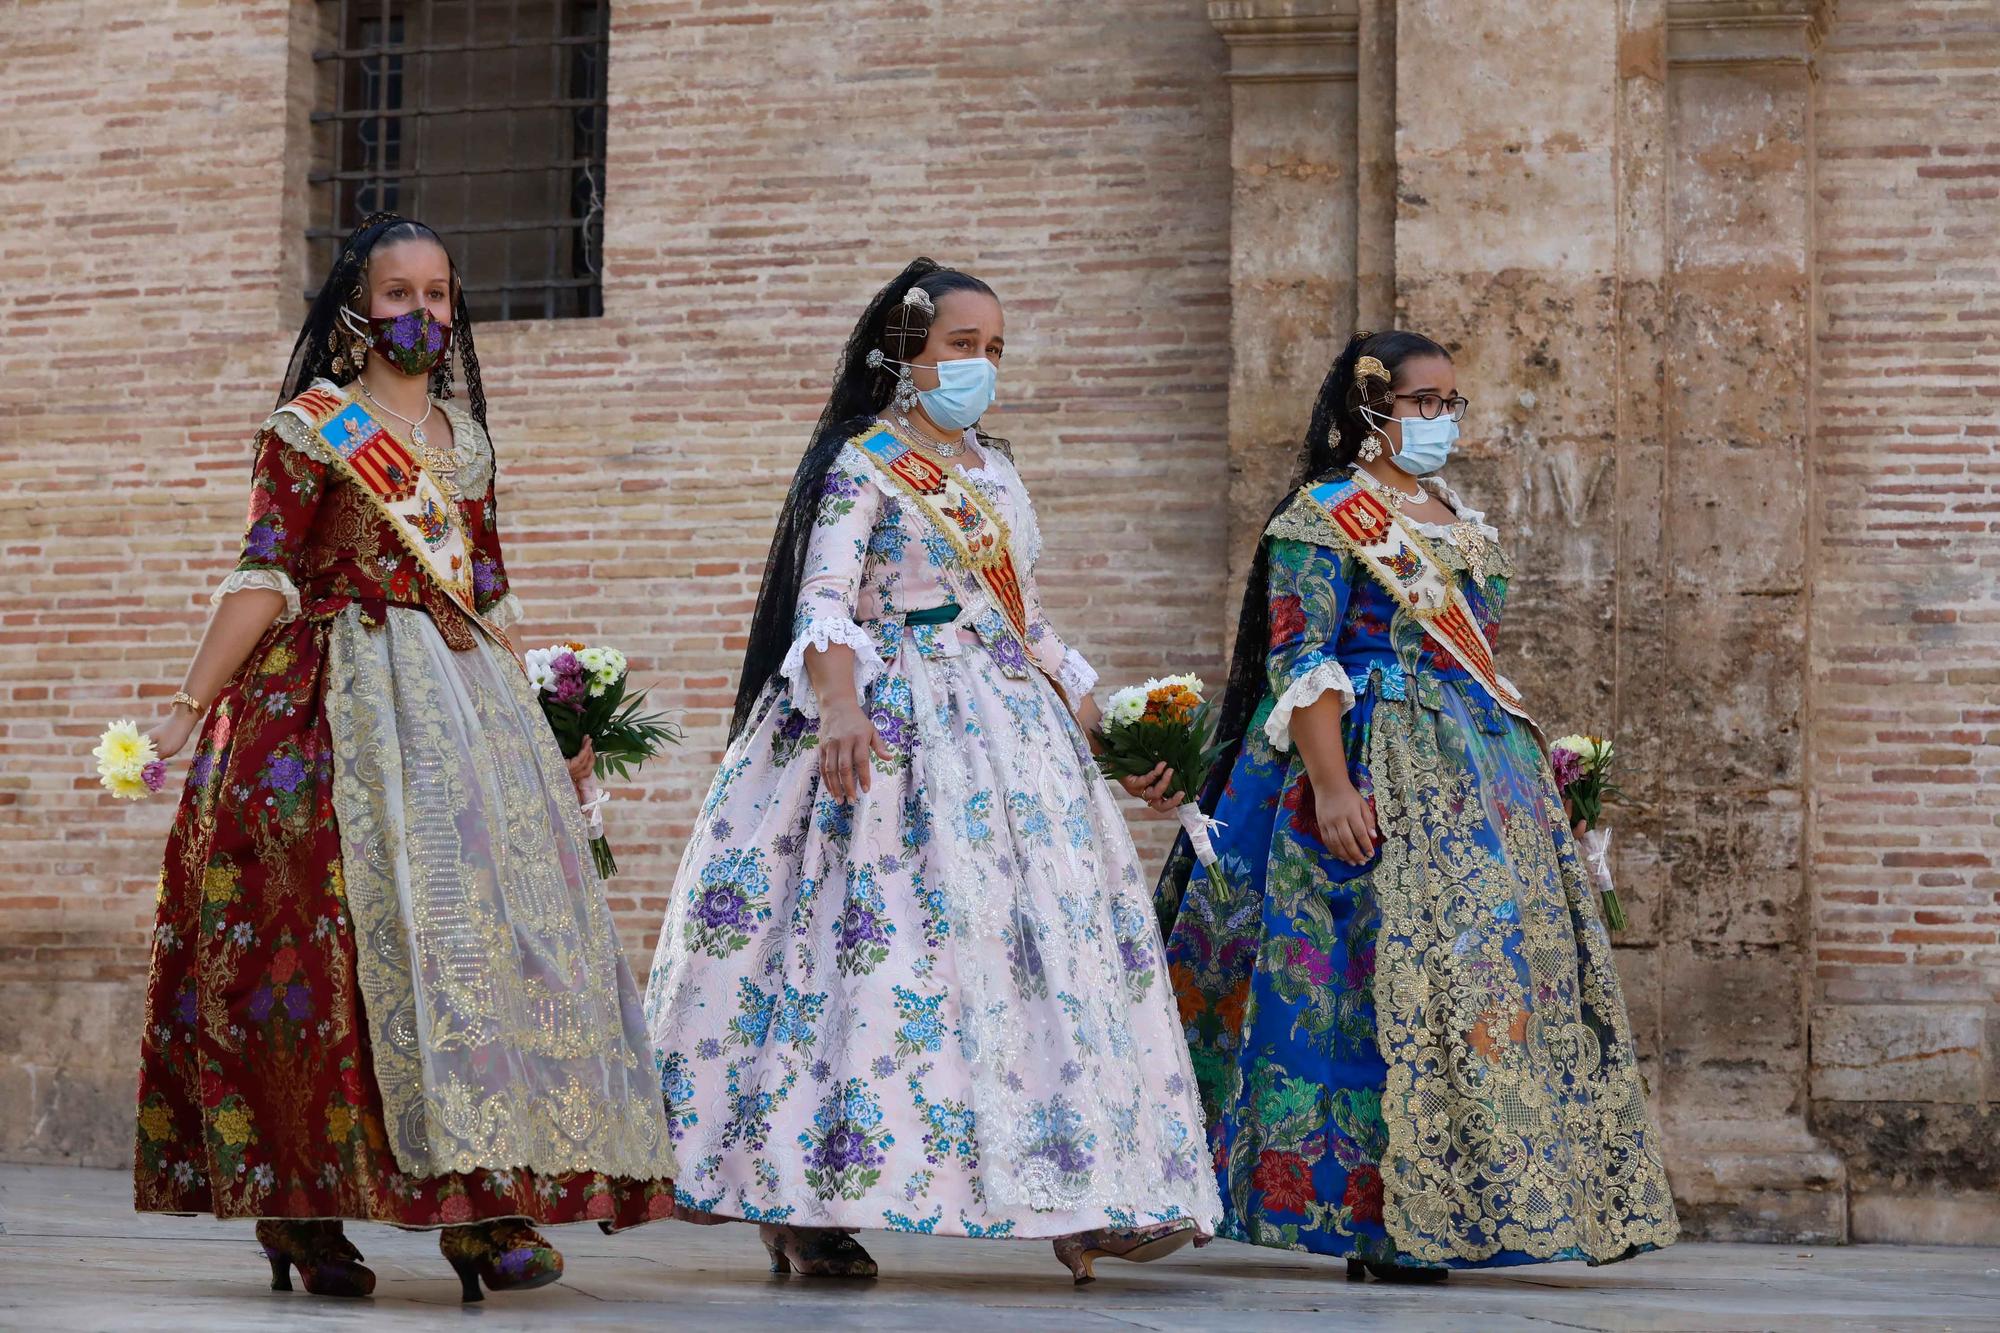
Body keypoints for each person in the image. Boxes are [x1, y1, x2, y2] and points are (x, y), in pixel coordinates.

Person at [132, 213, 677, 1302]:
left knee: (489, 942)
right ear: (355, 310)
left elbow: (488, 589)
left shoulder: (467, 444)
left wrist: (548, 727)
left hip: (467, 709)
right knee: (331, 951)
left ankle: (486, 1205)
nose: (421, 313)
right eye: (398, 294)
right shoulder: (309, 429)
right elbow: (264, 570)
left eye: (437, 293)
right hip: (331, 706)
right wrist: (190, 706)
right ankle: (301, 1207)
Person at [643, 259, 1220, 1282]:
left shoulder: (994, 472)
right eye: (962, 346)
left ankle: (1083, 1192)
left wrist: (1108, 737)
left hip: (1007, 728)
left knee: (1036, 959)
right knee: (861, 959)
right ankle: (804, 1198)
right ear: (904, 352)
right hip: (887, 722)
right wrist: (840, 707)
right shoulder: (861, 464)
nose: (981, 367)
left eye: (994, 348)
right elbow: (823, 605)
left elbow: (1027, 622)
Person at [1153, 330, 1678, 1280]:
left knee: (1473, 985)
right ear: (1369, 408)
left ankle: (1464, 1202)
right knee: (1359, 983)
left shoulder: (1458, 521)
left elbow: (1475, 654)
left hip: (1478, 772)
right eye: (1421, 402)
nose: (1439, 419)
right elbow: (1299, 657)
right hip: (1362, 758)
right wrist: (1331, 782)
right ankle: (1372, 1221)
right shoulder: (1324, 515)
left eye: (1449, 403)